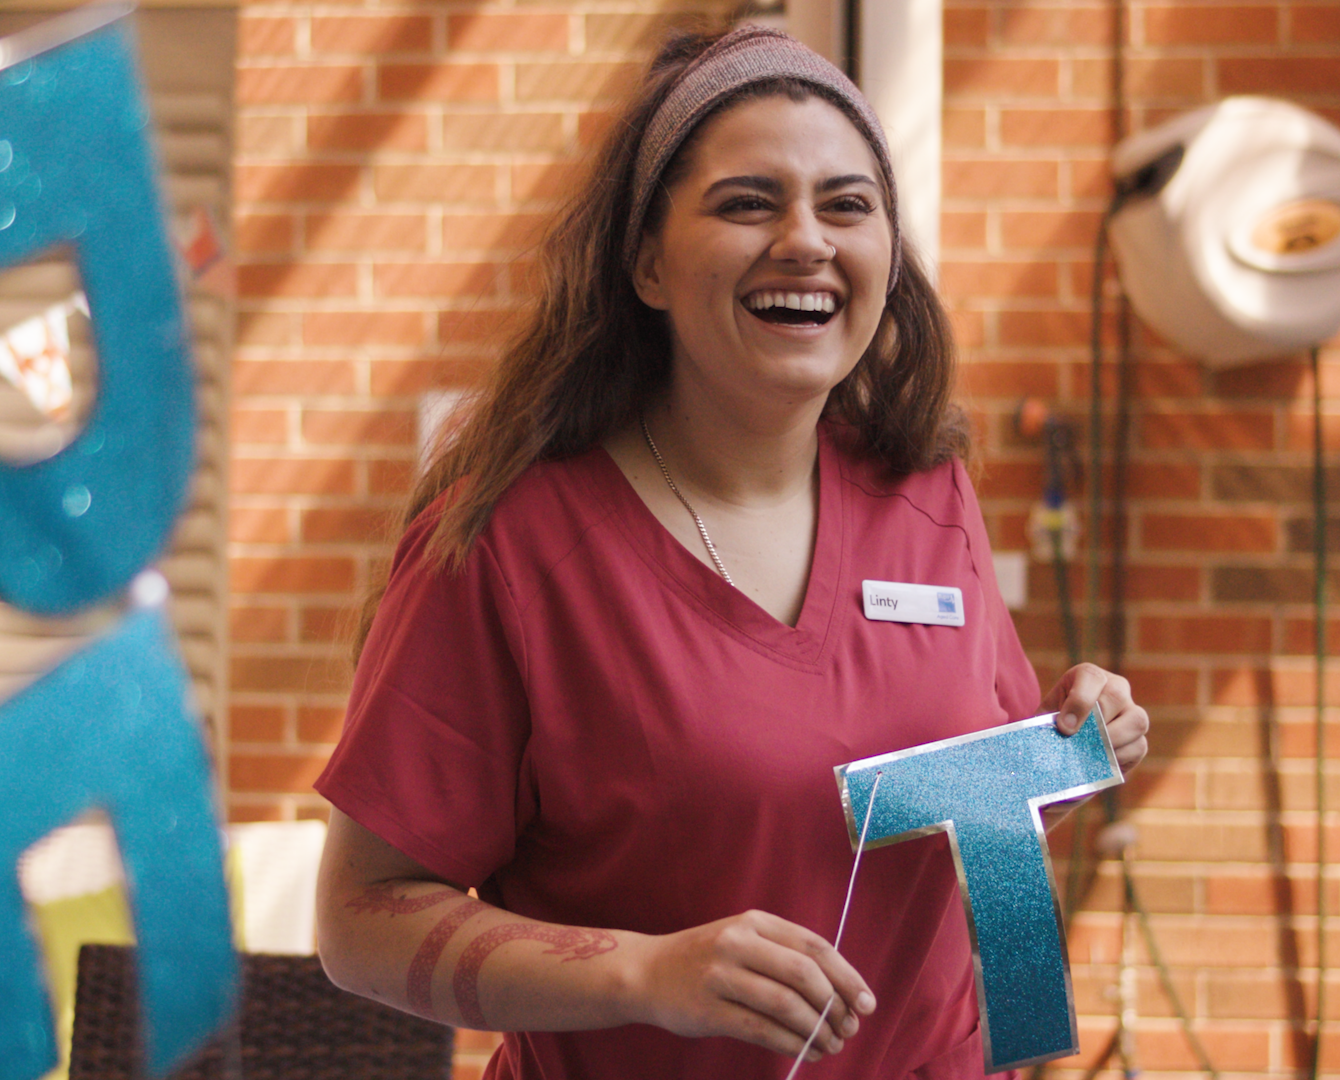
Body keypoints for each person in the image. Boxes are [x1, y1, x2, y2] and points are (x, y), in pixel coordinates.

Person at [312, 24, 1150, 1080]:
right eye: (748, 202)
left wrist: (1073, 740)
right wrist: (646, 974)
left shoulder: (928, 492)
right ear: (647, 263)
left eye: (847, 204)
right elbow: (359, 918)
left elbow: (953, 800)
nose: (806, 239)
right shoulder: (510, 545)